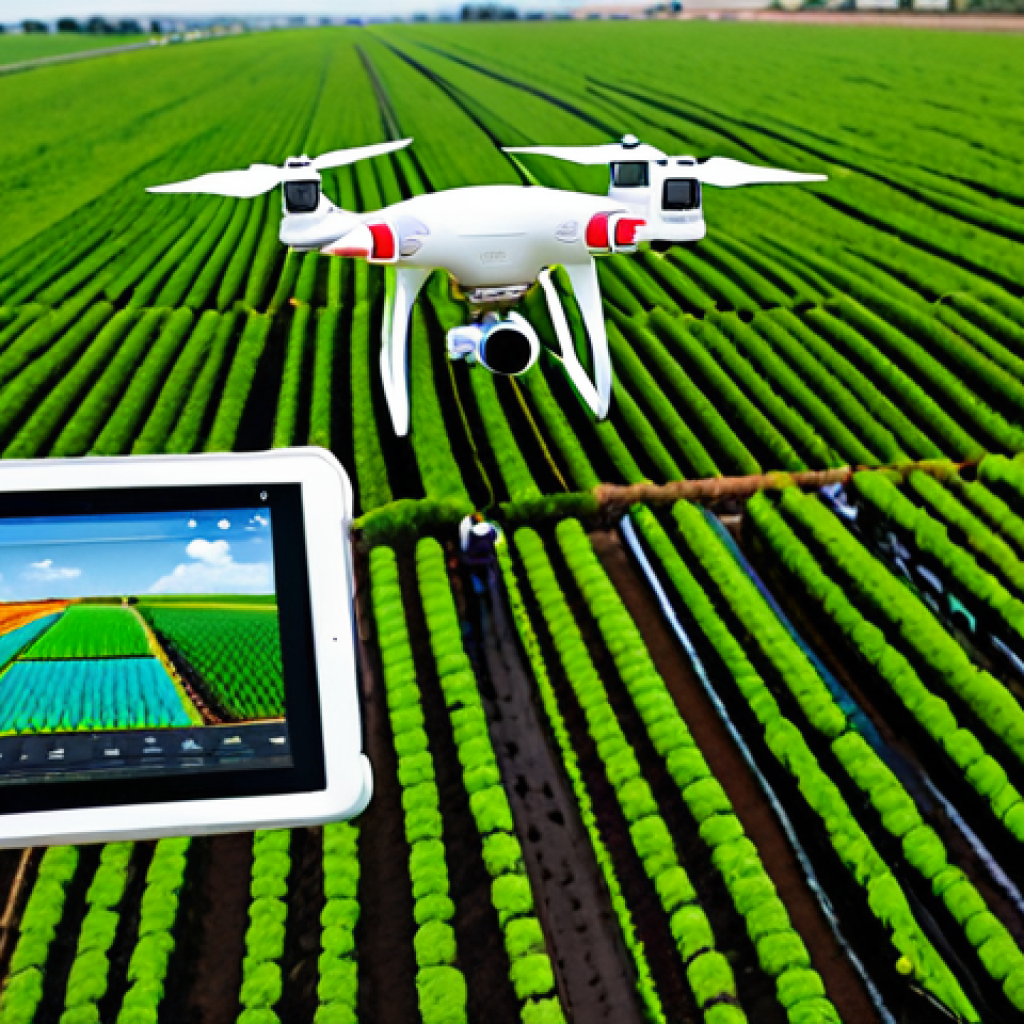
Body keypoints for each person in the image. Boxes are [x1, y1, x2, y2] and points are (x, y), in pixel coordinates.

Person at [459, 513, 501, 593]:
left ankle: (480, 588)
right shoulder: (489, 527)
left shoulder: (471, 532)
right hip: (488, 555)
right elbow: (495, 537)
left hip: (476, 559)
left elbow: (466, 546)